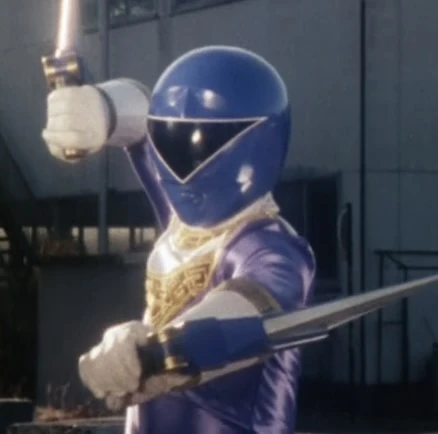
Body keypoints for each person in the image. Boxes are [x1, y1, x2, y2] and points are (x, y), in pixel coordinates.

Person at [42, 46, 316, 434]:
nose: (180, 163)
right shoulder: (182, 223)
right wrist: (97, 108)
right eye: (169, 139)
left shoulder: (272, 248)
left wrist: (154, 349)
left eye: (205, 142)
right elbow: (141, 112)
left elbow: (247, 310)